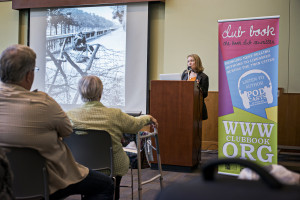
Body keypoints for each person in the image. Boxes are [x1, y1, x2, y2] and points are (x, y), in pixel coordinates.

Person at [0, 44, 114, 200]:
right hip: (48, 183)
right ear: (28, 75)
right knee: (106, 185)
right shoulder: (43, 103)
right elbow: (67, 131)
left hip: (5, 185)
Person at [67, 75, 159, 200]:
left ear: (80, 92)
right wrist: (148, 117)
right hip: (112, 166)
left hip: (80, 166)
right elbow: (134, 124)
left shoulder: (69, 116)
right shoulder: (115, 114)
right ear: (100, 93)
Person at [181, 54, 209, 120]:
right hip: (185, 104)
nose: (189, 63)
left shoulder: (204, 77)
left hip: (197, 106)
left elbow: (205, 94)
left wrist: (198, 87)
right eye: (188, 61)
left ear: (197, 62)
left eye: (192, 61)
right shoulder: (185, 74)